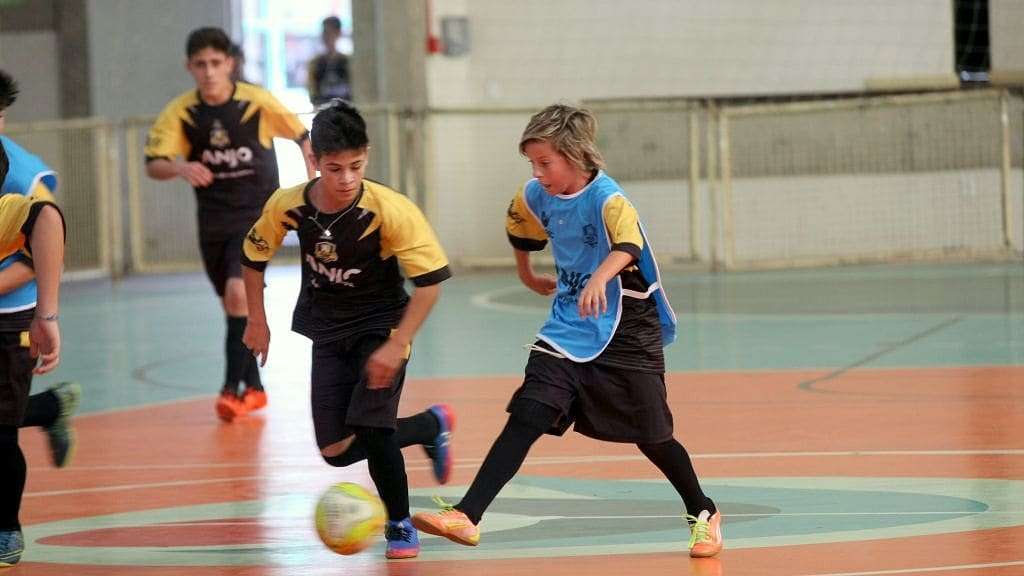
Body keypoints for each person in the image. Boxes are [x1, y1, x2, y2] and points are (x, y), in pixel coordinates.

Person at [412, 104, 724, 558]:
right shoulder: (536, 194)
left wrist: (600, 276)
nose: (538, 174)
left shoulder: (608, 198)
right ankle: (468, 514)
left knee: (652, 435)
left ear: (575, 156)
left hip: (626, 323)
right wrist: (525, 272)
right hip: (568, 322)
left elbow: (629, 245)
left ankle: (703, 511)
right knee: (529, 413)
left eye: (546, 163)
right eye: (532, 164)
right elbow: (519, 225)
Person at [241, 100, 454, 560]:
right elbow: (253, 258)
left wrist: (397, 345)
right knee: (336, 450)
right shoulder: (290, 205)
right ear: (314, 161)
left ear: (367, 156)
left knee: (374, 429)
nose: (346, 179)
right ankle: (428, 425)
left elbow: (431, 283)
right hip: (328, 330)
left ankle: (399, 523)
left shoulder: (390, 210)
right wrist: (257, 320)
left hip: (382, 324)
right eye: (334, 168)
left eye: (356, 166)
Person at [145, 27, 316, 422]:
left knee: (240, 297)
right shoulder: (182, 113)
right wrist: (179, 166)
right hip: (213, 221)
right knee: (232, 307)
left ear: (230, 64)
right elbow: (153, 164)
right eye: (200, 65)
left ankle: (230, 389)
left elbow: (301, 134)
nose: (208, 72)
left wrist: (311, 168)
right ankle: (254, 388)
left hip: (257, 214)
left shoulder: (254, 103)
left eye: (216, 63)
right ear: (190, 67)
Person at [0, 69, 67, 568]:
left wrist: (48, 314)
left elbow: (44, 244)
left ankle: (7, 526)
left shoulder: (21, 178)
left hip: (11, 314)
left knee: (0, 433)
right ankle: (46, 410)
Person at [307, 16, 351, 106]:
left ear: (338, 33)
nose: (327, 37)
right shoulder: (315, 63)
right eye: (325, 33)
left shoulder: (348, 62)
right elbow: (313, 92)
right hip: (324, 113)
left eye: (331, 33)